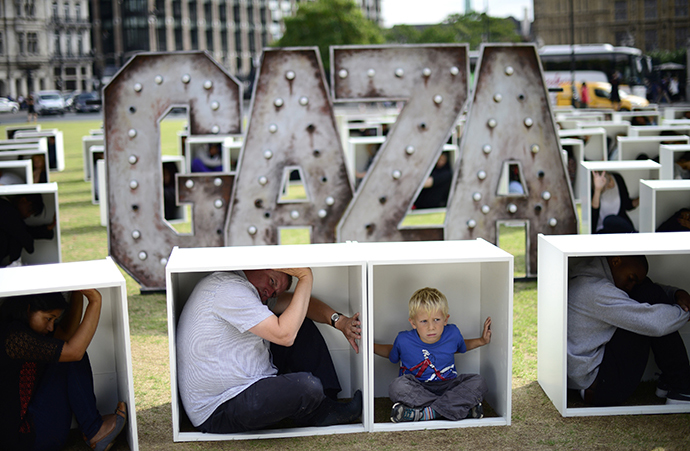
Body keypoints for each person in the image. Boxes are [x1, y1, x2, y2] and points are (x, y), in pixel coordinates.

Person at [176, 267, 363, 433]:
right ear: (259, 265)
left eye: (274, 293)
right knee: (307, 386)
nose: (269, 292)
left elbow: (302, 306)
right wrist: (305, 276)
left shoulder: (246, 291)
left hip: (245, 388)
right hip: (220, 408)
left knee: (299, 322)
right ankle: (319, 412)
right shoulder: (229, 289)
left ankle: (328, 405)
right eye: (272, 282)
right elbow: (285, 336)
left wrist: (340, 321)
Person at [0, 290, 127, 450]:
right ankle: (94, 430)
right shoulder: (14, 338)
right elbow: (74, 351)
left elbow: (66, 335)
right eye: (48, 318)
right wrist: (95, 300)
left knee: (66, 353)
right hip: (28, 439)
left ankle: (93, 428)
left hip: (33, 428)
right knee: (70, 355)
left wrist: (77, 290)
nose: (51, 326)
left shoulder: (23, 330)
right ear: (28, 309)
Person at [567, 255, 690, 406]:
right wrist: (684, 312)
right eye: (631, 278)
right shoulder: (596, 291)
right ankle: (682, 386)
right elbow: (654, 324)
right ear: (616, 261)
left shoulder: (587, 278)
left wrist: (676, 294)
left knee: (645, 289)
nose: (631, 285)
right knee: (647, 295)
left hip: (589, 381)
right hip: (602, 387)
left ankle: (672, 380)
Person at [373, 287, 491, 422]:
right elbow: (392, 354)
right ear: (413, 322)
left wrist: (481, 341)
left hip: (449, 387)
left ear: (445, 319)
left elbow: (459, 347)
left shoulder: (453, 333)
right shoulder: (403, 339)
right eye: (424, 321)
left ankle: (427, 413)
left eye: (436, 320)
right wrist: (371, 346)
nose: (431, 327)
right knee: (397, 387)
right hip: (418, 388)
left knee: (479, 382)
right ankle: (459, 410)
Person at [0, 193, 56, 267]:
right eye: (30, 210)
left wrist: (49, 227)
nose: (28, 215)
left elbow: (22, 231)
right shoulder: (7, 210)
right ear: (23, 200)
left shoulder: (6, 207)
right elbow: (25, 239)